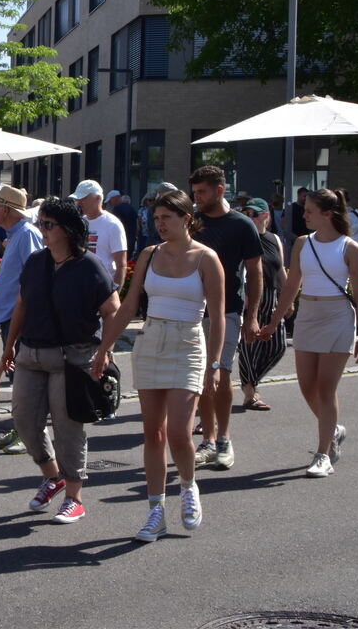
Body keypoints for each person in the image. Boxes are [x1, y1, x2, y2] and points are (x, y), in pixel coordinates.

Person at [95, 189, 224, 541]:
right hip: (150, 340)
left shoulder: (206, 258)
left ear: (187, 219)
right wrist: (104, 348)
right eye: (156, 218)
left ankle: (188, 488)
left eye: (167, 217)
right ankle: (156, 511)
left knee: (181, 431)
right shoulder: (150, 254)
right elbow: (128, 307)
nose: (160, 224)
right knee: (153, 432)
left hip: (188, 343)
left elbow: (218, 315)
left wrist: (215, 364)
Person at [0, 197, 117, 525]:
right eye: (41, 223)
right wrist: (9, 348)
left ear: (67, 229)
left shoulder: (89, 266)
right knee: (24, 421)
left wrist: (105, 350)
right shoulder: (37, 262)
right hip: (31, 353)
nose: (42, 230)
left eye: (47, 225)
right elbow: (20, 306)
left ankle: (74, 498)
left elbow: (113, 311)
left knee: (68, 428)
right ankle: (53, 476)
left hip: (72, 357)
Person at [259, 188, 358, 478]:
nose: (303, 214)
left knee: (325, 387)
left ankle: (324, 454)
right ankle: (333, 429)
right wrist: (274, 320)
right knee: (307, 385)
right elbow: (292, 284)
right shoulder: (302, 243)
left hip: (337, 317)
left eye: (309, 210)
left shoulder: (349, 247)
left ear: (327, 214)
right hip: (307, 315)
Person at [190, 166, 262, 471]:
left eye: (202, 192)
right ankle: (207, 439)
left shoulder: (242, 225)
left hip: (228, 310)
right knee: (201, 379)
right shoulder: (193, 222)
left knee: (219, 376)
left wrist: (253, 316)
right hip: (193, 311)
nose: (197, 199)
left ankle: (223, 440)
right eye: (194, 193)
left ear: (219, 190)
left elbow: (256, 273)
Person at [0, 186, 44, 454]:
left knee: (24, 378)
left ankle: (28, 434)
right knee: (17, 375)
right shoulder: (18, 234)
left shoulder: (27, 234)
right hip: (11, 316)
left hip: (20, 317)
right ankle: (20, 428)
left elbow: (35, 278)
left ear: (6, 210)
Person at [236, 198, 288, 411]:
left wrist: (287, 298)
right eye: (247, 214)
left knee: (278, 346)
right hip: (249, 296)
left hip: (272, 296)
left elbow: (280, 269)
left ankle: (252, 383)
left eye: (254, 214)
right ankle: (250, 393)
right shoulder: (242, 238)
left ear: (266, 215)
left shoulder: (274, 238)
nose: (250, 218)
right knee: (249, 347)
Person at [70, 179, 127, 296]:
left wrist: (114, 295)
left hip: (103, 289)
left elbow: (121, 264)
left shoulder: (113, 224)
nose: (79, 202)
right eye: (78, 198)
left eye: (84, 198)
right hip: (80, 287)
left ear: (98, 198)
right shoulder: (80, 222)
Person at [107, 190, 140, 257]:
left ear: (115, 199)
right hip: (131, 240)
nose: (109, 204)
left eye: (110, 201)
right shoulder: (132, 208)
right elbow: (138, 226)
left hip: (121, 241)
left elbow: (114, 227)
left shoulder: (116, 209)